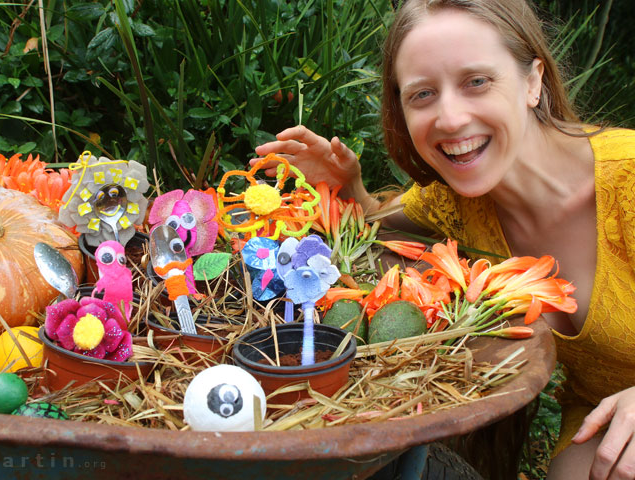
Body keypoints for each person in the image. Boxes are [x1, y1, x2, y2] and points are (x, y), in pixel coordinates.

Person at [253, 0, 635, 478]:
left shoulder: (628, 177)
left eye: (477, 82)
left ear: (533, 82)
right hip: (600, 416)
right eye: (423, 94)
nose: (450, 119)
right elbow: (378, 220)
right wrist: (347, 186)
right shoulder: (453, 202)